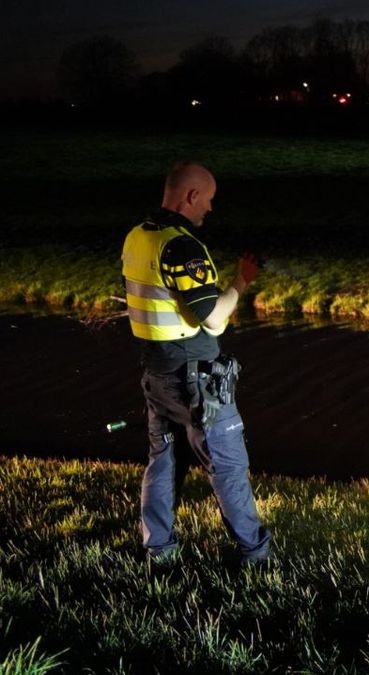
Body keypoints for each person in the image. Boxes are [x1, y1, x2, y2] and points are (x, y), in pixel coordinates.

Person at [121, 161, 272, 566]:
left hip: (156, 373)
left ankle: (159, 550)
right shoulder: (183, 246)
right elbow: (215, 317)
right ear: (191, 196)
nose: (210, 209)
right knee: (227, 465)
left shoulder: (137, 237)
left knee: (164, 460)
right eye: (208, 200)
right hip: (196, 379)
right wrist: (242, 279)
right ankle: (255, 555)